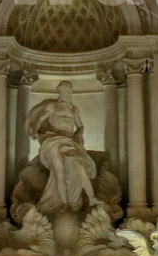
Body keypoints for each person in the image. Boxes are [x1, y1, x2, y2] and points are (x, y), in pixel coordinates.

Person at [26, 81, 102, 213]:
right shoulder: (52, 105)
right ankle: (64, 203)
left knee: (80, 167)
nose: (66, 93)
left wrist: (79, 134)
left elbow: (80, 126)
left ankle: (92, 198)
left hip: (69, 141)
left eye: (68, 90)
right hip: (53, 140)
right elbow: (39, 119)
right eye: (63, 90)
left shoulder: (74, 109)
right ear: (59, 91)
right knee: (59, 171)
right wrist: (34, 130)